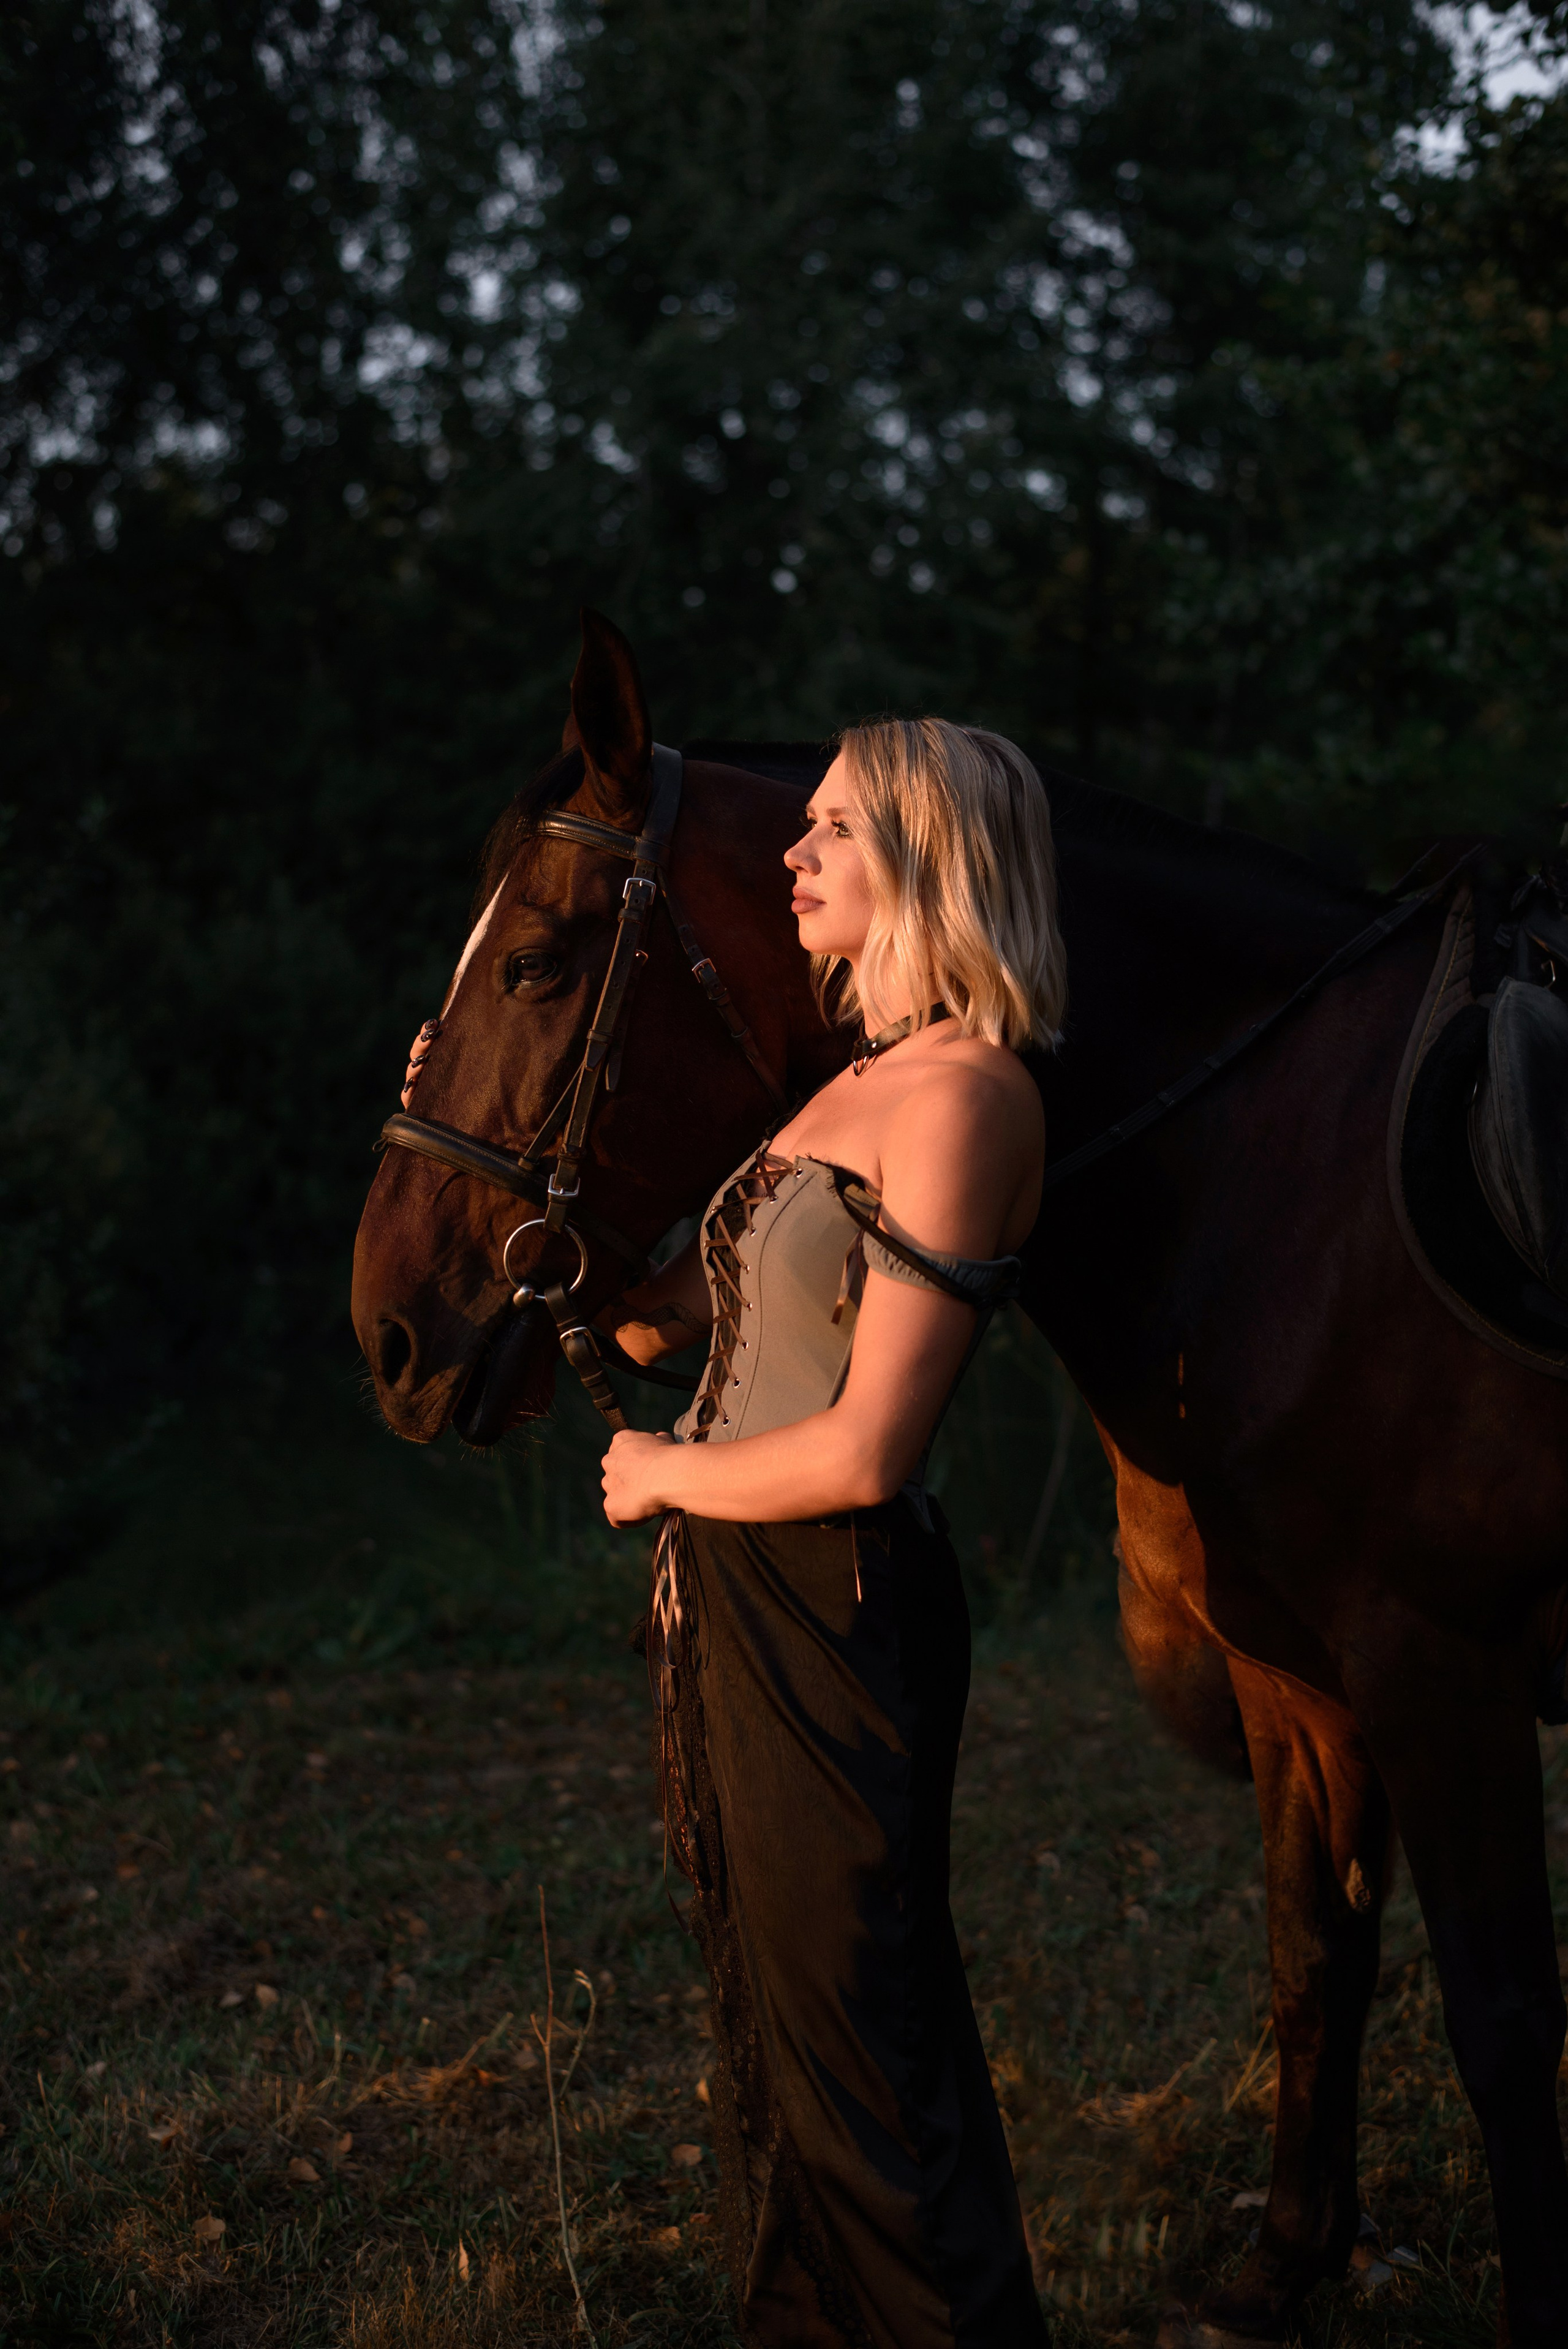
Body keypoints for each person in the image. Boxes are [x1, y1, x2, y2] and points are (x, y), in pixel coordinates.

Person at [596, 717, 1064, 2349]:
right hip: (740, 1588)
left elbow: (869, 1444)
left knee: (867, 2034)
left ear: (933, 861)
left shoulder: (968, 1100)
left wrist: (661, 1477)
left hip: (834, 1597)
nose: (792, 855)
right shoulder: (851, 1080)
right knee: (780, 2020)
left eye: (836, 828)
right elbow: (686, 1322)